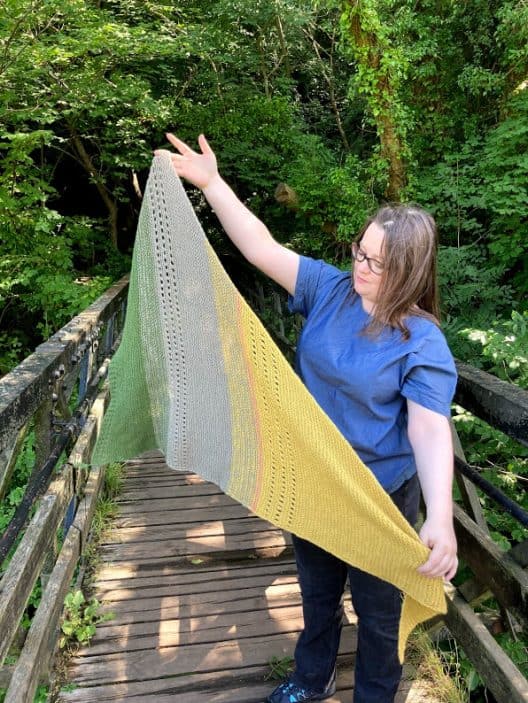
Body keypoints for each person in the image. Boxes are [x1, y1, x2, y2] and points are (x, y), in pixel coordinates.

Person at [158, 133, 459, 703]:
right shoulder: (330, 289)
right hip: (316, 481)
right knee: (316, 592)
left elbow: (428, 428)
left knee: (377, 612)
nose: (361, 265)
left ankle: (374, 695)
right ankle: (310, 677)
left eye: (376, 260)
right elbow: (260, 248)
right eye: (359, 250)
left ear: (410, 270)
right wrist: (213, 184)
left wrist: (440, 516)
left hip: (379, 496)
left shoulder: (421, 340)